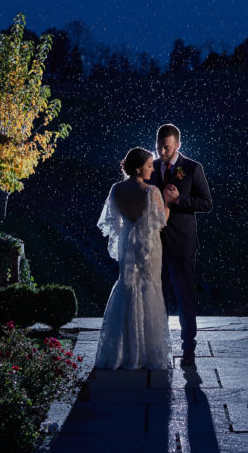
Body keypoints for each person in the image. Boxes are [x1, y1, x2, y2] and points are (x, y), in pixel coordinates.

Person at [94, 147, 173, 369]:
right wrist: (168, 201)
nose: (152, 169)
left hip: (128, 243)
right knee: (148, 288)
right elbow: (160, 222)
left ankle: (123, 350)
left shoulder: (116, 189)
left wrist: (130, 230)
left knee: (127, 287)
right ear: (138, 167)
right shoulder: (152, 192)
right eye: (149, 165)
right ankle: (147, 353)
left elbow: (115, 223)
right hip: (147, 246)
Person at [147, 124, 212, 368]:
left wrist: (179, 200)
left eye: (167, 147)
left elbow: (206, 203)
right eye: (158, 146)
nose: (162, 151)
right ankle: (160, 346)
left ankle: (188, 347)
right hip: (154, 242)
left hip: (182, 243)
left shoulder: (193, 168)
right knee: (157, 296)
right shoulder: (150, 167)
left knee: (185, 295)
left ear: (178, 146)